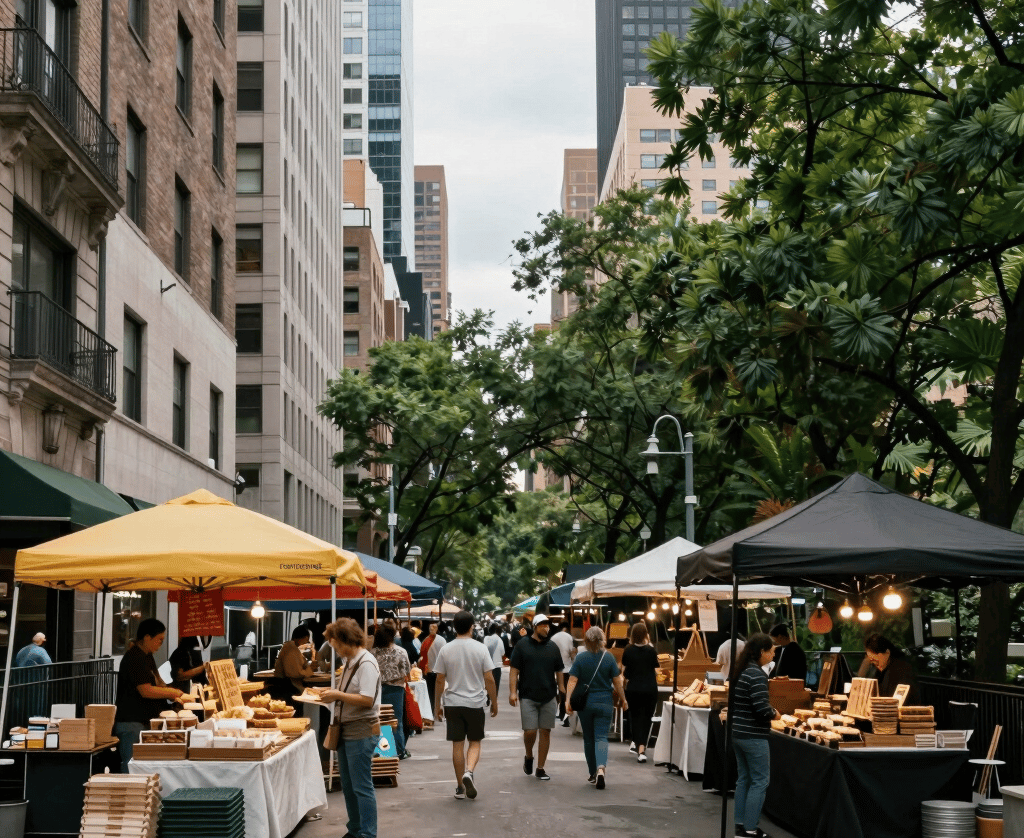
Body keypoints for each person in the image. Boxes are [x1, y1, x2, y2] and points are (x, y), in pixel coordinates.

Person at [318, 618, 381, 838]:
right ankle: (355, 828)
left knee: (362, 787)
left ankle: (367, 833)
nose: (336, 651)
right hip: (347, 730)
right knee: (348, 784)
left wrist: (337, 695)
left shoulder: (366, 663)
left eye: (336, 646)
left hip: (361, 730)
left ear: (347, 641)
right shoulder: (352, 661)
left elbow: (367, 699)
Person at [432, 610, 498, 800]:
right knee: (475, 742)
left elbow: (439, 679)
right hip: (475, 702)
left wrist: (437, 705)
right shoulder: (480, 648)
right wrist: (494, 702)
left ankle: (460, 786)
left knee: (457, 745)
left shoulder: (446, 649)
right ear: (472, 627)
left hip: (452, 703)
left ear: (454, 627)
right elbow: (489, 678)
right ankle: (469, 771)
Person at [113, 618, 187, 772]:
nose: (161, 644)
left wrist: (171, 693)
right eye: (159, 640)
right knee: (132, 764)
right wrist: (173, 693)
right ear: (147, 637)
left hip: (144, 721)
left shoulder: (147, 656)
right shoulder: (134, 658)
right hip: (132, 722)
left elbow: (158, 682)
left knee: (143, 766)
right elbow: (146, 690)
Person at [731, 633, 781, 838]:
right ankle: (750, 828)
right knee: (760, 781)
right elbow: (761, 708)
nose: (773, 654)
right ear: (762, 652)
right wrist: (775, 713)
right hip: (754, 735)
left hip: (738, 732)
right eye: (772, 651)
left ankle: (741, 824)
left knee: (744, 779)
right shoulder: (757, 674)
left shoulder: (742, 670)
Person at [566, 626, 627, 789]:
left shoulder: (581, 658)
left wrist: (567, 701)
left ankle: (592, 772)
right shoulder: (609, 658)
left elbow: (572, 680)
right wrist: (623, 699)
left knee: (588, 738)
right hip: (605, 702)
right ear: (603, 640)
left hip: (585, 704)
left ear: (586, 640)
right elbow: (617, 681)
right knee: (601, 737)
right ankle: (601, 768)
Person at [508, 613, 564, 780]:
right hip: (528, 695)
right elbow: (514, 670)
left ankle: (540, 768)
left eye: (548, 625)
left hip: (548, 695)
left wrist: (561, 688)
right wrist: (512, 692)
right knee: (530, 731)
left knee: (545, 731)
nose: (546, 628)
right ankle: (528, 756)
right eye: (542, 625)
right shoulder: (522, 645)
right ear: (535, 626)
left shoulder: (553, 647)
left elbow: (559, 669)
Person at [370, 624, 411, 760]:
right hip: (396, 690)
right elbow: (407, 672)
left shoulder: (372, 653)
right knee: (396, 720)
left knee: (380, 719)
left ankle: (384, 750)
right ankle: (399, 750)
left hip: (377, 690)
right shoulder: (401, 652)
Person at [621, 621, 660, 762]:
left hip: (633, 689)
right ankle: (641, 748)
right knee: (646, 718)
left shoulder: (628, 650)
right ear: (645, 634)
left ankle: (639, 747)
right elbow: (656, 669)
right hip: (650, 689)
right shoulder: (651, 651)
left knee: (635, 718)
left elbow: (625, 672)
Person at [863, 633, 919, 704]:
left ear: (887, 653)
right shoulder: (880, 670)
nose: (875, 664)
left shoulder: (901, 669)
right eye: (871, 661)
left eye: (875, 660)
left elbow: (895, 699)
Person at [273, 625, 316, 696]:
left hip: (290, 685)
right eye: (306, 640)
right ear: (304, 637)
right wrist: (310, 669)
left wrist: (309, 667)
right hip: (288, 687)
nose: (306, 643)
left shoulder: (292, 647)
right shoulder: (290, 647)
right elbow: (296, 673)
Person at [549, 620, 576, 722]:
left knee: (555, 690)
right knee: (565, 691)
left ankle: (556, 710)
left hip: (553, 668)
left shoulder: (553, 638)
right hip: (566, 668)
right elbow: (571, 652)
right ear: (567, 628)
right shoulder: (569, 637)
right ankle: (563, 712)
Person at [423, 622, 448, 715]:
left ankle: (433, 711)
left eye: (433, 627)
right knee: (438, 693)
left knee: (431, 693)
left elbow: (422, 657)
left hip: (430, 671)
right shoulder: (441, 640)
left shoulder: (426, 640)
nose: (432, 629)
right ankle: (437, 710)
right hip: (437, 670)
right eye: (431, 627)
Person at [483, 623, 505, 694]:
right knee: (496, 685)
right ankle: (494, 701)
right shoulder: (500, 640)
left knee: (487, 683)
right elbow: (502, 653)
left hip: (487, 666)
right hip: (497, 666)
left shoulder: (486, 639)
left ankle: (488, 697)